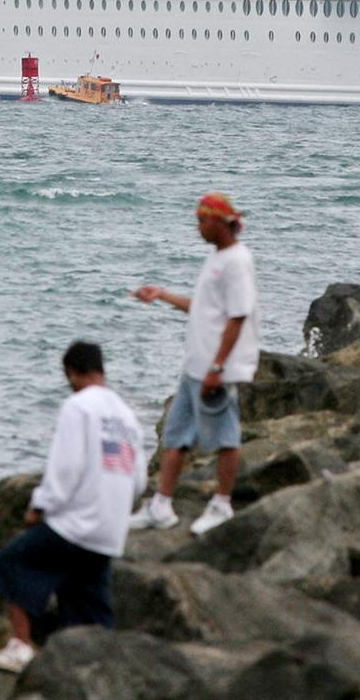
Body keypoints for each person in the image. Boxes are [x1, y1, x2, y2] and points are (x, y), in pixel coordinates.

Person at [0, 340, 145, 675]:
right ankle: (103, 668)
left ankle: (21, 646)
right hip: (109, 531)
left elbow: (66, 467)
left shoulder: (78, 407)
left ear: (70, 371)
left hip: (76, 524)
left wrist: (40, 506)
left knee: (12, 561)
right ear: (101, 369)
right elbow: (139, 480)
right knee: (86, 599)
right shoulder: (127, 416)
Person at [129, 192, 260, 538]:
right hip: (195, 366)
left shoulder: (237, 261)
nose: (198, 227)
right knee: (176, 436)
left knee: (226, 436)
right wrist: (161, 295)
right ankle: (161, 504)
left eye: (202, 221)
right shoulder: (217, 258)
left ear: (220, 222)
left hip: (214, 369)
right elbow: (201, 307)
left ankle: (222, 504)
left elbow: (238, 317)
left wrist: (218, 367)